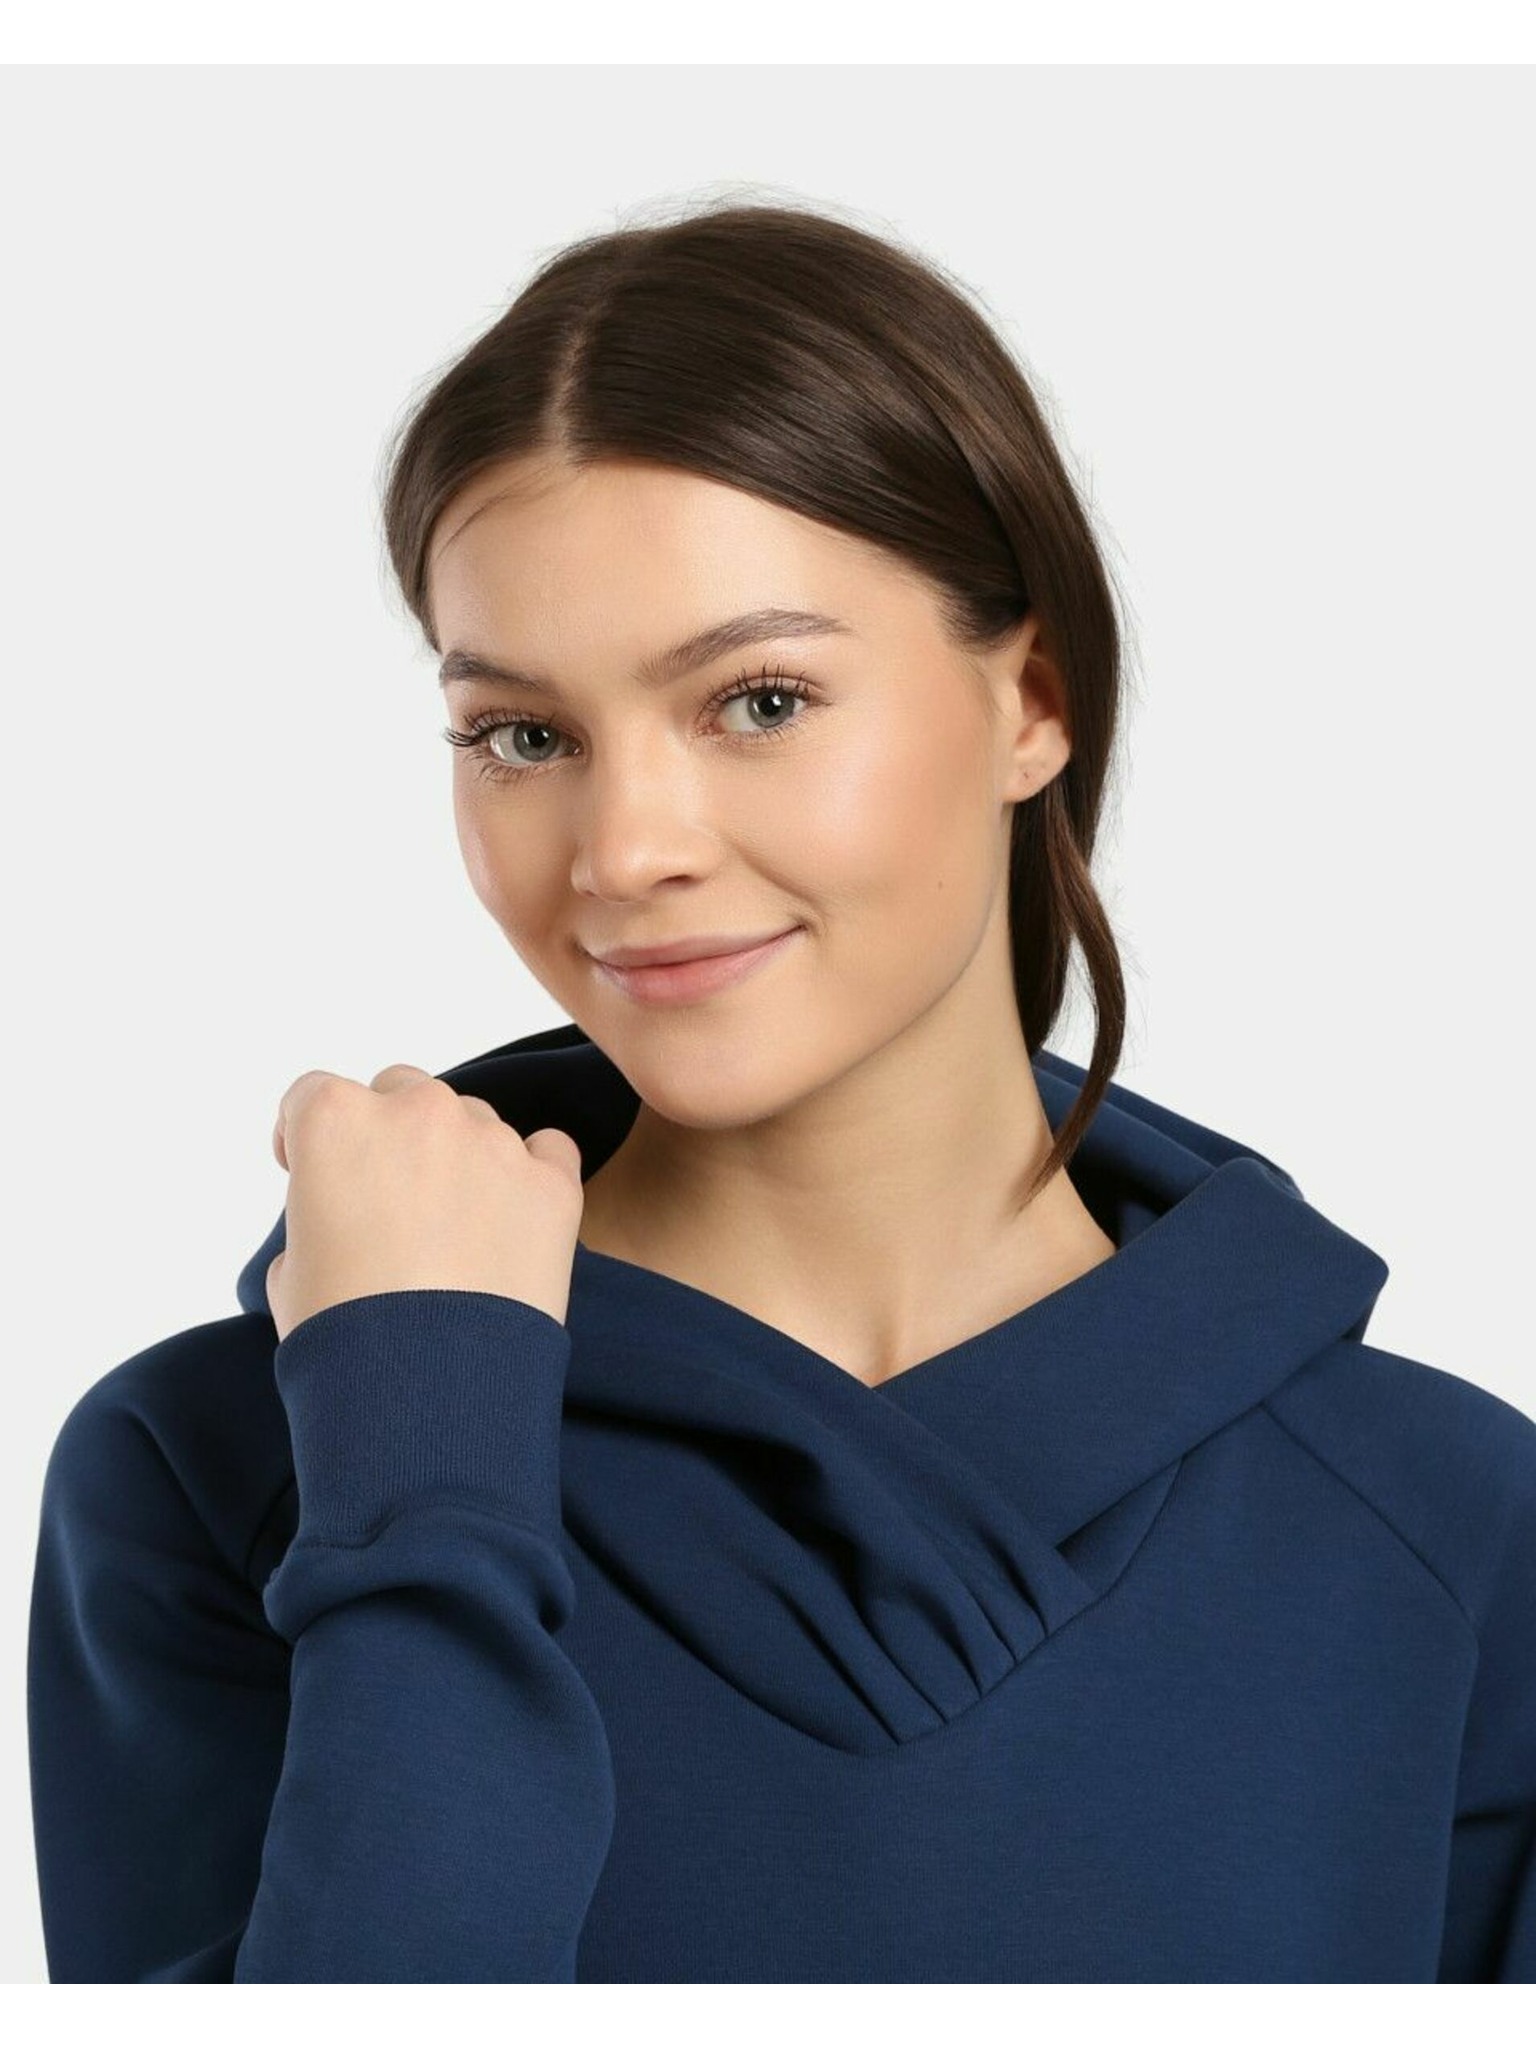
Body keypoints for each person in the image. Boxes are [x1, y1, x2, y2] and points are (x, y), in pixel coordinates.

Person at [26, 198, 1536, 1983]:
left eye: (756, 701)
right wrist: (424, 1464)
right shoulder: (226, 1467)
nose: (625, 850)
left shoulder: (1448, 1528)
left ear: (1032, 702)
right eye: (525, 735)